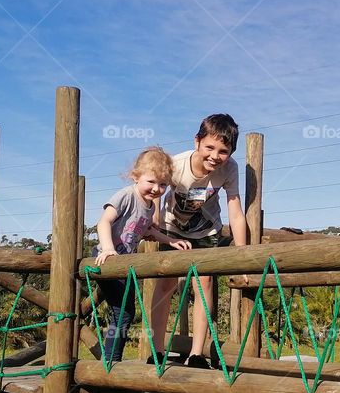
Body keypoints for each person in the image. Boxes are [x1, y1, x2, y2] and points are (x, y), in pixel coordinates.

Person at [150, 114, 248, 368]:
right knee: (165, 285)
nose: (215, 156)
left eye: (223, 151)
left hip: (206, 231)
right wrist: (155, 226)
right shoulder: (176, 164)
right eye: (210, 147)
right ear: (197, 141)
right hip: (173, 229)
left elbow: (234, 208)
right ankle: (157, 350)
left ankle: (196, 354)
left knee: (203, 285)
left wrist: (243, 254)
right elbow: (155, 195)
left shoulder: (230, 169)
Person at [93, 147, 190, 363]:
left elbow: (147, 231)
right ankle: (110, 362)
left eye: (163, 184)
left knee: (124, 312)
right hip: (106, 260)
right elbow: (104, 221)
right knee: (123, 312)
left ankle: (111, 361)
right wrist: (108, 249)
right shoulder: (127, 196)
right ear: (135, 177)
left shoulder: (147, 206)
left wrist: (170, 240)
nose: (157, 189)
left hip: (123, 264)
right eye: (151, 182)